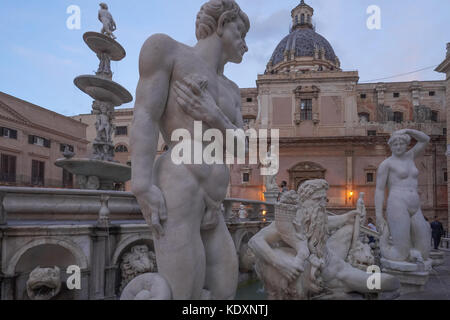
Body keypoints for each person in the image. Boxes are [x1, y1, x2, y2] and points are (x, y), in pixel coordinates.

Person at [131, 0, 249, 299]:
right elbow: (145, 114)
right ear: (222, 23)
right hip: (180, 184)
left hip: (215, 199)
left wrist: (214, 115)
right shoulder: (166, 50)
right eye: (240, 32)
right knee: (183, 293)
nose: (245, 44)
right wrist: (142, 184)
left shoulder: (233, 91)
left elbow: (242, 147)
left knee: (225, 293)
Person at [375, 129, 431, 263]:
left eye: (401, 143)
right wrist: (378, 215)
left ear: (407, 144)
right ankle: (385, 246)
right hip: (397, 204)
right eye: (395, 144)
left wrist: (407, 130)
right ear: (390, 146)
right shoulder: (386, 164)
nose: (398, 147)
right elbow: (379, 189)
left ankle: (410, 252)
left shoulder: (410, 156)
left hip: (415, 206)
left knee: (424, 252)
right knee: (400, 255)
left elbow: (425, 139)